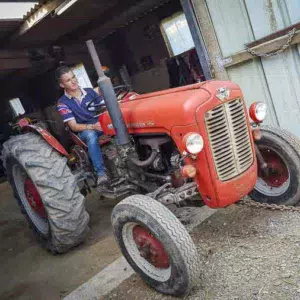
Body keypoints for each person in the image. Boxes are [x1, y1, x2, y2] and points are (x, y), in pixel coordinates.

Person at [55, 66, 108, 186]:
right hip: (85, 130)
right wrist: (93, 126)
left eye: (73, 77)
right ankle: (101, 173)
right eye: (68, 80)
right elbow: (73, 126)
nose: (73, 81)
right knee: (91, 136)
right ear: (62, 85)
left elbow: (105, 108)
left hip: (100, 124)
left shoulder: (90, 92)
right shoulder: (62, 103)